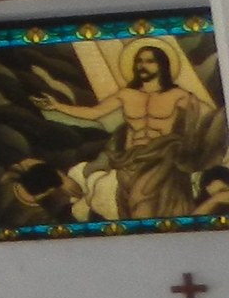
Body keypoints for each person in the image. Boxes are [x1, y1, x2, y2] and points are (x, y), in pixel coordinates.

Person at [38, 41, 225, 221]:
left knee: (143, 197)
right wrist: (57, 106)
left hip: (163, 156)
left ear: (162, 65)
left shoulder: (179, 96)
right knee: (131, 204)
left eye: (149, 61)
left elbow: (210, 115)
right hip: (129, 160)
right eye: (139, 61)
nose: (142, 66)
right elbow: (93, 113)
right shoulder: (126, 95)